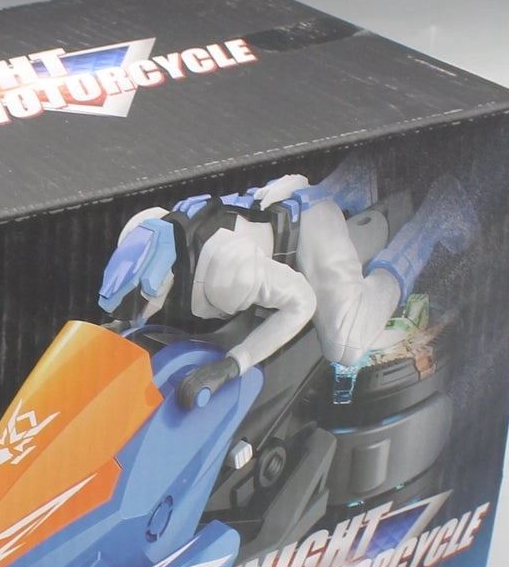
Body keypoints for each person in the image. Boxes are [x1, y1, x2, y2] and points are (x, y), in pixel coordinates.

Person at [98, 155, 479, 406]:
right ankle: (351, 183)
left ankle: (435, 218)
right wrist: (116, 327)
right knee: (325, 264)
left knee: (346, 343)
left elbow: (302, 302)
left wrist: (233, 365)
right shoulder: (144, 227)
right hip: (276, 203)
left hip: (307, 228)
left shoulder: (225, 274)